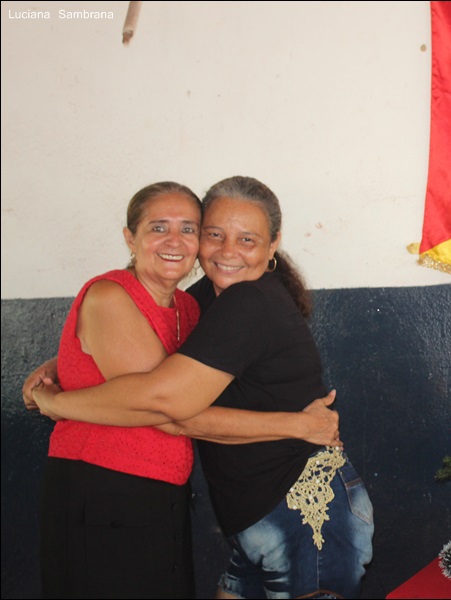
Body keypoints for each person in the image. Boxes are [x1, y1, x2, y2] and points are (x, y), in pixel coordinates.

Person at [33, 176, 374, 599]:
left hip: (305, 510)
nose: (228, 251)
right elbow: (140, 340)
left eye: (247, 239)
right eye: (215, 234)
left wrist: (58, 403)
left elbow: (166, 403)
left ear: (273, 245)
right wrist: (64, 363)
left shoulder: (249, 301)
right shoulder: (201, 300)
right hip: (253, 515)